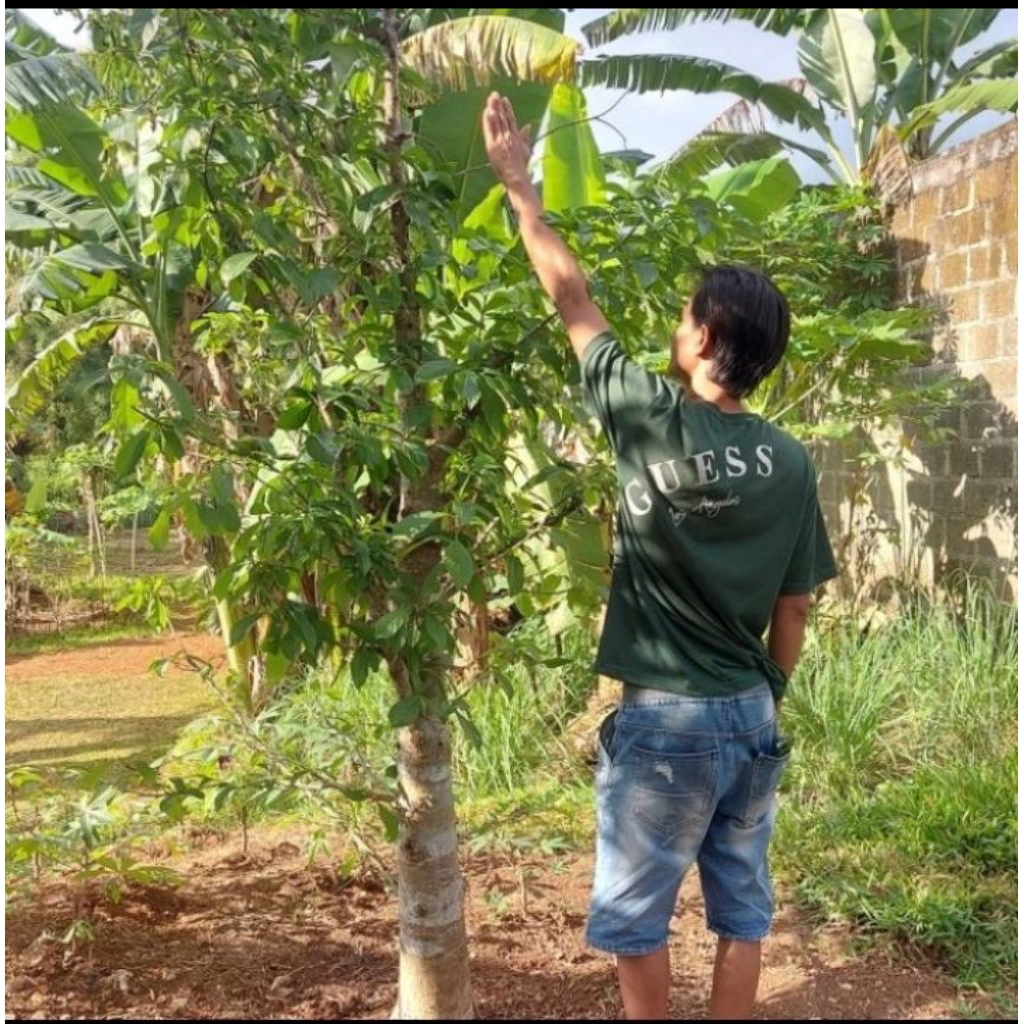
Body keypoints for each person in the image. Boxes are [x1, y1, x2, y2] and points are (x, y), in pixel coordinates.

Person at [482, 92, 838, 1020]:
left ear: (707, 341)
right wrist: (769, 695)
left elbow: (571, 295)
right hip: (752, 708)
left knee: (638, 916)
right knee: (743, 908)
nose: (673, 331)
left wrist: (523, 191)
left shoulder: (647, 414)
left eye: (684, 319)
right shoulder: (793, 461)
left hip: (667, 720)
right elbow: (795, 607)